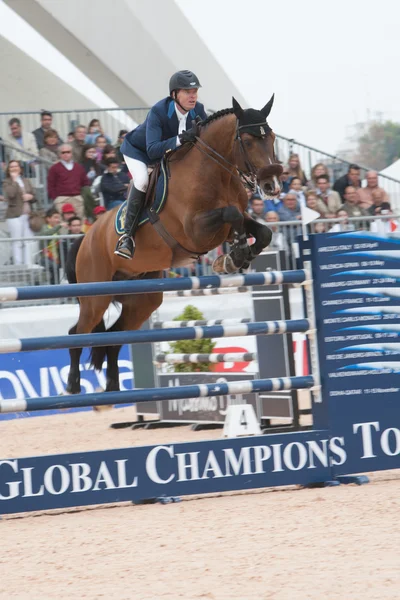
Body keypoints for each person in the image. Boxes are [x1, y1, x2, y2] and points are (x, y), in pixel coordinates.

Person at [115, 70, 207, 259]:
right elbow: (153, 150)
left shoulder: (199, 110)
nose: (193, 96)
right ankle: (127, 237)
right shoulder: (159, 111)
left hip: (168, 155)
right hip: (139, 152)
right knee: (141, 181)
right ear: (174, 94)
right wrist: (182, 139)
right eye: (187, 92)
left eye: (195, 91)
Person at [3, 160, 36, 265]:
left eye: (16, 166)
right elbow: (11, 194)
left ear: (20, 168)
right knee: (17, 241)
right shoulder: (7, 182)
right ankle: (19, 264)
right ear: (8, 170)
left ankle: (28, 263)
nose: (14, 168)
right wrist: (14, 180)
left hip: (27, 215)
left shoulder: (26, 181)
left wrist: (30, 197)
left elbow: (35, 196)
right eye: (11, 167)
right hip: (14, 215)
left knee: (28, 240)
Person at [47, 144, 90, 219]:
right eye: (63, 152)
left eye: (68, 152)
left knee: (79, 222)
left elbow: (85, 183)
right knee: (63, 224)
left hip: (77, 199)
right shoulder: (54, 168)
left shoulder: (79, 167)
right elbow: (50, 185)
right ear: (59, 154)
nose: (66, 154)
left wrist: (82, 197)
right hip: (62, 199)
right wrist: (56, 198)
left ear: (72, 153)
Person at [37, 208, 62, 284]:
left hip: (56, 257)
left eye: (58, 217)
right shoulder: (45, 228)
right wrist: (58, 226)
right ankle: (55, 289)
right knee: (54, 266)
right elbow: (46, 234)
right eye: (55, 217)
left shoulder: (57, 229)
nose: (58, 220)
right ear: (48, 219)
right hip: (44, 257)